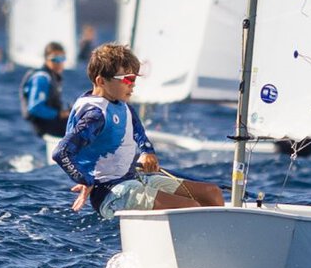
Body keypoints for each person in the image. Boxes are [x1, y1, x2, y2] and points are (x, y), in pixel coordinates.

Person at [52, 44, 223, 216]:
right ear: (101, 81)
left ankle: (223, 240)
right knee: (190, 208)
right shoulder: (95, 116)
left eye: (134, 78)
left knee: (211, 193)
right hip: (110, 192)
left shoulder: (121, 104)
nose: (133, 85)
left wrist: (147, 151)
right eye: (128, 79)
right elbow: (61, 152)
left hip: (134, 178)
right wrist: (85, 180)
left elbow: (138, 130)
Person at [21, 42, 69, 138]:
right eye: (55, 59)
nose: (59, 62)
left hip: (53, 122)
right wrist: (59, 114)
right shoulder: (41, 78)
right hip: (44, 126)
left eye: (62, 58)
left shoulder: (53, 77)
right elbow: (34, 108)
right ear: (46, 59)